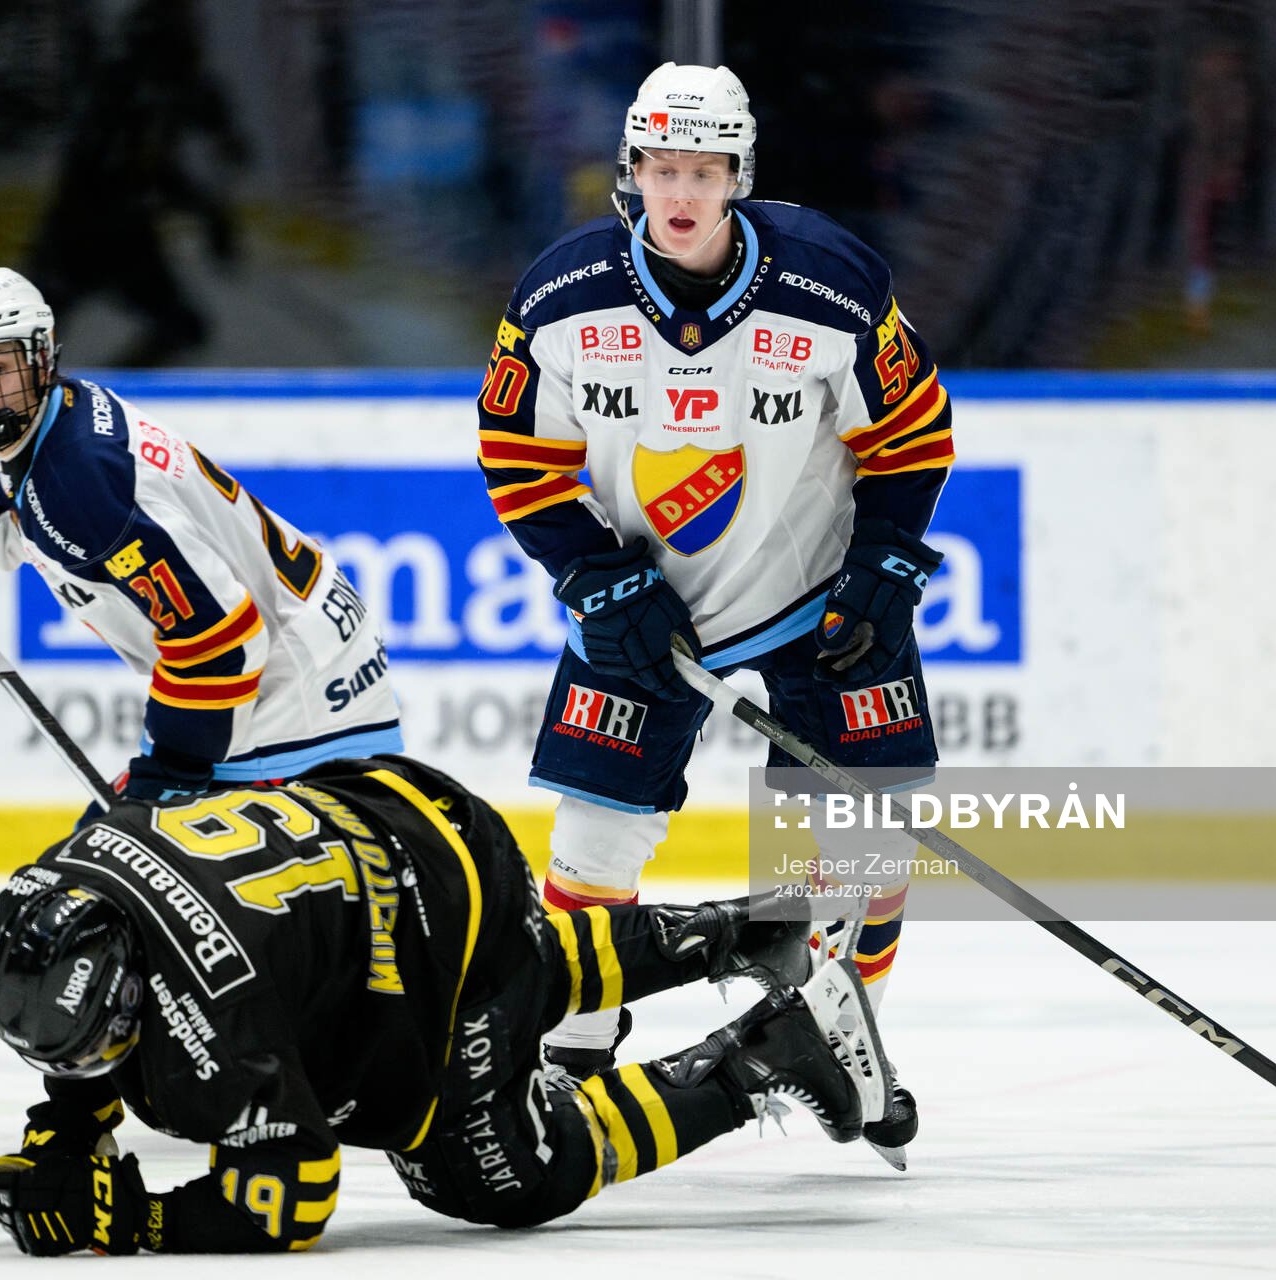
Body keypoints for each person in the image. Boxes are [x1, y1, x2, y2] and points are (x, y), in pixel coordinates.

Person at [475, 63, 952, 1161]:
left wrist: (885, 562)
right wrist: (593, 574)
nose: (680, 191)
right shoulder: (561, 299)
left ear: (738, 175)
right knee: (593, 839)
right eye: (660, 168)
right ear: (631, 172)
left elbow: (912, 432)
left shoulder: (831, 282)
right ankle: (570, 1053)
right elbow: (516, 452)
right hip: (643, 606)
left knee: (869, 837)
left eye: (703, 170)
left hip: (815, 597)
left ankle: (839, 1031)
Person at [0, 753, 893, 1255]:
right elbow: (98, 1014)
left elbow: (292, 1197)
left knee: (491, 1175)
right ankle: (744, 930)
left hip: (436, 922)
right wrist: (64, 1129)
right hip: (403, 808)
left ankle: (768, 1055)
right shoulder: (64, 874)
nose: (97, 1064)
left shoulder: (222, 1016)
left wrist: (126, 1218)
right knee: (513, 963)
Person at [0, 267, 400, 806]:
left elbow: (220, 640)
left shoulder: (81, 479)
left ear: (40, 357)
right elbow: (40, 501)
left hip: (295, 705)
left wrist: (175, 768)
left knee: (115, 855)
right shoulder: (65, 413)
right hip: (307, 653)